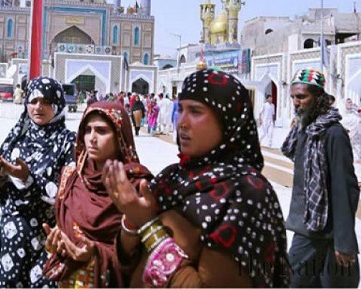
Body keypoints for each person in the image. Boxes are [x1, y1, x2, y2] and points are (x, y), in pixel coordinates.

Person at [105, 69, 290, 287]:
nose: (182, 122)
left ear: (227, 121)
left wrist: (148, 226)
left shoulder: (246, 192)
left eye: (195, 111)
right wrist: (132, 220)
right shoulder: (171, 178)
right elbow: (125, 265)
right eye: (181, 109)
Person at [43, 101, 153, 287]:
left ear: (120, 136)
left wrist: (95, 253)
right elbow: (62, 229)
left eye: (102, 131)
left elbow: (143, 258)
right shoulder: (72, 179)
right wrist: (57, 245)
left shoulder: (136, 185)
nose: (92, 138)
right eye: (88, 130)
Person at [0, 76, 75, 287]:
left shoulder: (68, 141)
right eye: (34, 101)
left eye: (46, 101)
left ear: (58, 104)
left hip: (49, 235)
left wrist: (28, 179)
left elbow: (70, 192)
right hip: (13, 235)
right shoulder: (16, 139)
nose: (39, 107)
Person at [281, 68, 359, 287]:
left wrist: (344, 242)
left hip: (324, 233)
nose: (296, 102)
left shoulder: (333, 133)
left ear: (318, 98)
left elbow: (345, 188)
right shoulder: (304, 130)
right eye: (293, 97)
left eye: (302, 97)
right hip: (305, 227)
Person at [340, 97, 361, 162]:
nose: (351, 103)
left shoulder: (353, 112)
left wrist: (357, 109)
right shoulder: (342, 115)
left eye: (351, 102)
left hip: (357, 139)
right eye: (349, 102)